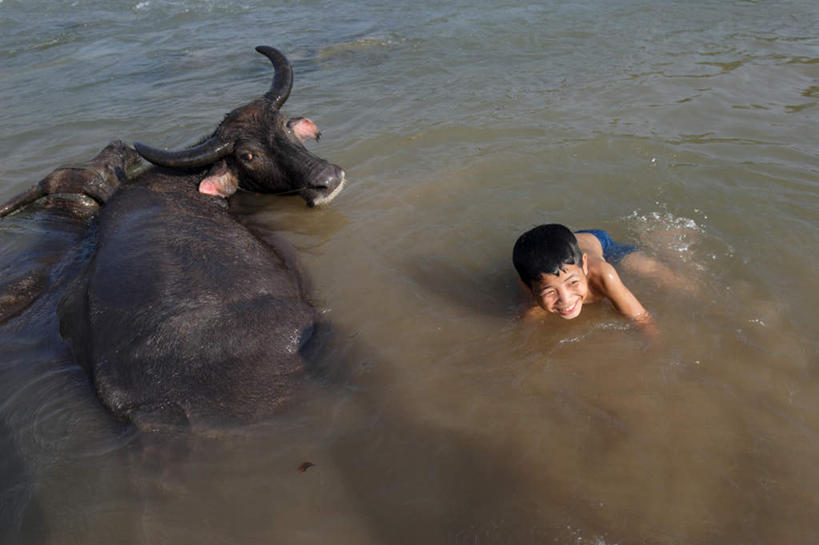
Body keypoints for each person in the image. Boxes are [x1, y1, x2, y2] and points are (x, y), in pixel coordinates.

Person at [512, 223, 681, 332]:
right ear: (527, 288)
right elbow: (526, 332)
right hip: (564, 248)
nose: (565, 299)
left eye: (573, 282)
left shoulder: (603, 275)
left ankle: (658, 234)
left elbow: (642, 319)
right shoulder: (533, 298)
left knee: (660, 274)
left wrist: (654, 352)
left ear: (584, 265)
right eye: (549, 291)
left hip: (600, 244)